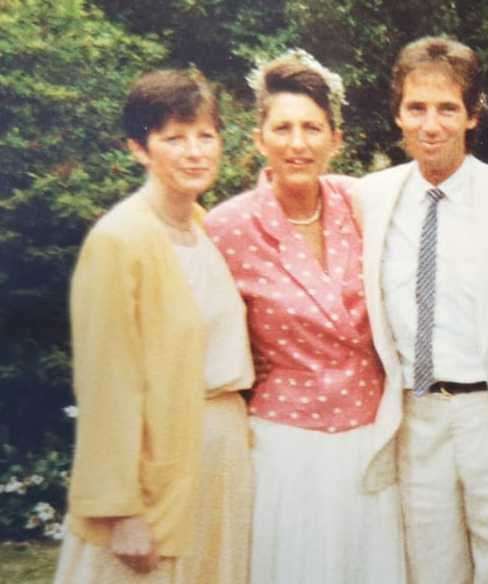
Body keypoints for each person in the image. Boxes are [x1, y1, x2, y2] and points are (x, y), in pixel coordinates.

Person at [204, 50, 405, 584]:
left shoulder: (363, 205)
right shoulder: (227, 228)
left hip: (370, 438)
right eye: (284, 128)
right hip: (284, 447)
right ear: (259, 138)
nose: (298, 143)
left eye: (313, 128)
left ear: (335, 139)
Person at [353, 36, 488, 584]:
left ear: (472, 116)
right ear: (398, 115)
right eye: (417, 108)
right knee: (431, 570)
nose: (430, 124)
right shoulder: (371, 196)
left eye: (447, 109)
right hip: (418, 418)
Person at [54, 69, 254, 584]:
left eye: (205, 136)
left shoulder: (204, 228)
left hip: (219, 460)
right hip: (157, 474)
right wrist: (120, 510)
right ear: (139, 149)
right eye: (174, 138)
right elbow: (106, 383)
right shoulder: (119, 240)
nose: (195, 152)